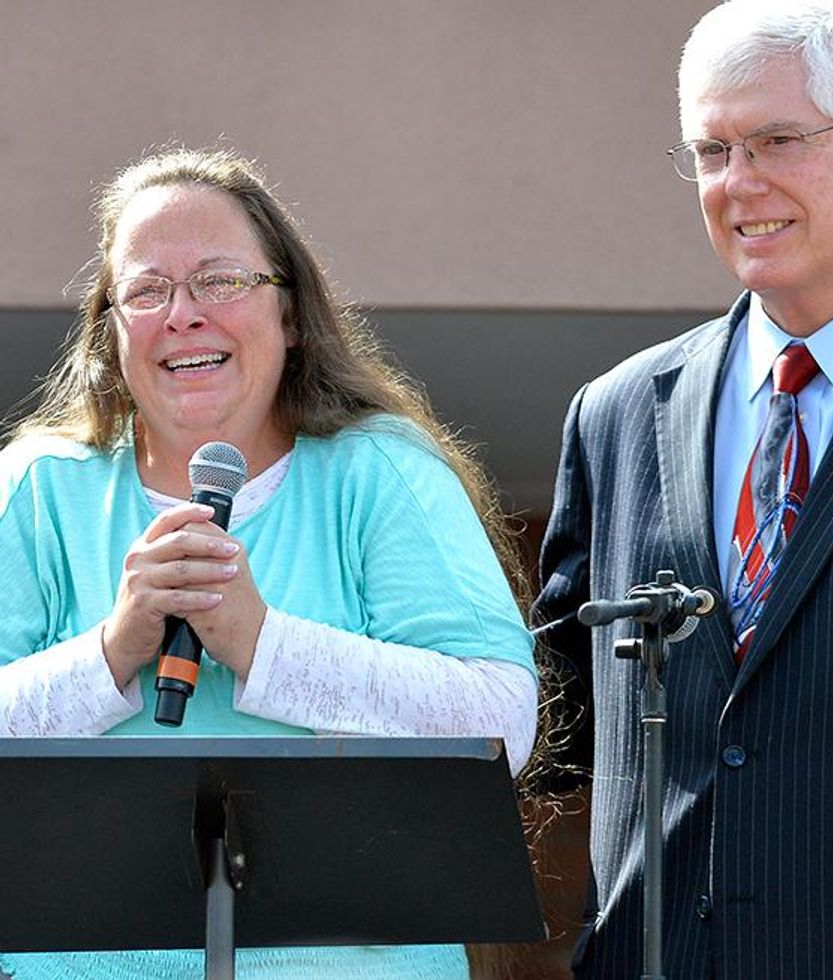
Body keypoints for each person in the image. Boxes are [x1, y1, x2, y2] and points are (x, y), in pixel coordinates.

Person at [0, 146, 538, 979]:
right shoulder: (40, 487)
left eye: (219, 280)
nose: (182, 315)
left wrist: (262, 644)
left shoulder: (380, 470)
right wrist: (114, 650)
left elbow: (502, 720)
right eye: (145, 291)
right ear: (110, 334)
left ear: (290, 314)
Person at [534, 2, 833, 977]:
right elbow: (553, 711)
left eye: (776, 140)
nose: (739, 184)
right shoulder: (613, 414)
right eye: (710, 150)